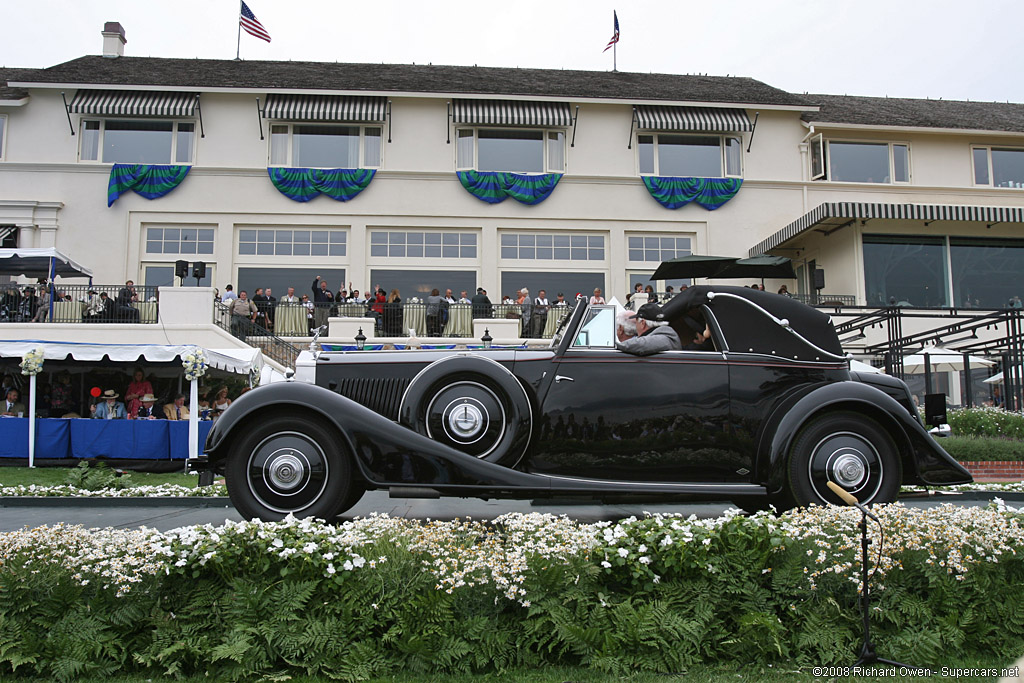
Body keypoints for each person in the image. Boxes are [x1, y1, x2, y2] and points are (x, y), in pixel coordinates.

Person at [615, 303, 682, 356]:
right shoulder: (665, 334)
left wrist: (615, 346)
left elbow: (641, 344)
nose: (635, 326)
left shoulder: (665, 338)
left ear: (642, 323)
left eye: (636, 322)